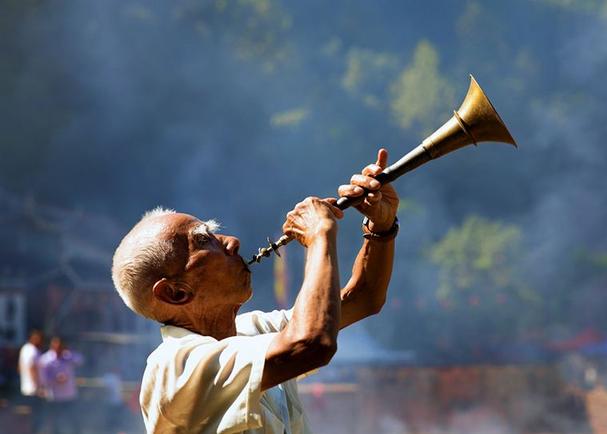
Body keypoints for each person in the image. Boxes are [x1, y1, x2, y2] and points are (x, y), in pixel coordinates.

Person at [111, 149, 400, 433]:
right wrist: (320, 233)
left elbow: (363, 299)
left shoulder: (251, 331)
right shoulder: (174, 367)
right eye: (203, 241)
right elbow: (311, 344)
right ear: (175, 293)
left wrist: (380, 228)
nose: (232, 242)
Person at [39, 336, 83, 434]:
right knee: (55, 423)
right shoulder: (46, 360)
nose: (58, 348)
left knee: (74, 422)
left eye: (60, 346)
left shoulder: (68, 356)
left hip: (69, 395)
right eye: (56, 346)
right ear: (52, 346)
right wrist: (56, 379)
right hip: (55, 396)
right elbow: (43, 379)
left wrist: (68, 352)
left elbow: (80, 360)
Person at [18, 330, 44, 433]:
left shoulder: (25, 348)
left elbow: (19, 367)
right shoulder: (33, 350)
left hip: (26, 387)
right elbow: (32, 368)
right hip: (34, 389)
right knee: (36, 416)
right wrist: (37, 386)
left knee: (30, 415)